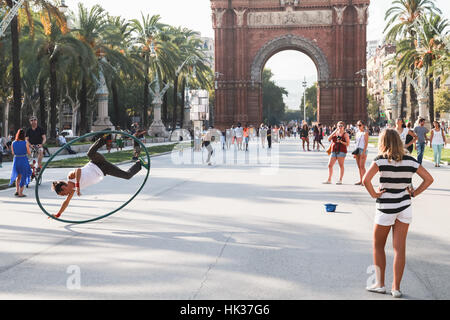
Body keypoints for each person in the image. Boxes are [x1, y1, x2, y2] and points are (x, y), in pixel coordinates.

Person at [363, 129, 433, 298]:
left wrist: (374, 194)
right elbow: (429, 179)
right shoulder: (410, 160)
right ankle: (396, 288)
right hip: (404, 207)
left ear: (383, 142)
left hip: (385, 207)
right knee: (399, 249)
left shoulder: (380, 160)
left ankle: (380, 284)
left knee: (378, 246)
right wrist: (414, 193)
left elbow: (366, 180)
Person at [51, 136, 145, 218]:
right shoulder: (72, 190)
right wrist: (58, 214)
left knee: (90, 154)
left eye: (63, 194)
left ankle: (104, 138)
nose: (65, 195)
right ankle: (140, 163)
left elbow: (78, 170)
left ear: (63, 187)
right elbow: (66, 203)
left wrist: (78, 186)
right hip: (104, 170)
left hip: (97, 163)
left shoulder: (70, 177)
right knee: (127, 175)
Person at [9, 129, 32, 197]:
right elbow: (29, 152)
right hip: (23, 159)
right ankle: (20, 193)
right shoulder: (25, 142)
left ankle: (17, 190)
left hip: (16, 160)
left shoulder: (13, 143)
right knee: (23, 176)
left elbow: (13, 152)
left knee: (18, 176)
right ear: (24, 135)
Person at [353, 120, 369, 186]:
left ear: (363, 125)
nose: (358, 126)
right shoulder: (357, 133)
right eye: (357, 125)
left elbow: (366, 143)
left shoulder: (365, 133)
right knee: (359, 167)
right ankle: (361, 180)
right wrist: (354, 152)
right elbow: (356, 142)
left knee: (362, 166)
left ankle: (365, 181)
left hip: (362, 150)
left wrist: (364, 152)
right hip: (357, 150)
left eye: (360, 125)